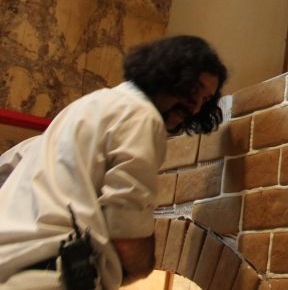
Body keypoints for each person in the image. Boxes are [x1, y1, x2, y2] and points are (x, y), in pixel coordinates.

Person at [0, 35, 228, 290]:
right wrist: (141, 266)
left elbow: (8, 164)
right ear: (168, 72)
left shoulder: (87, 106)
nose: (196, 106)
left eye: (206, 99)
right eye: (194, 88)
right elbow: (126, 224)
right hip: (52, 276)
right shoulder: (141, 116)